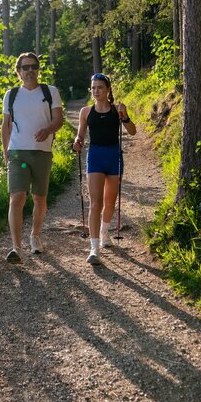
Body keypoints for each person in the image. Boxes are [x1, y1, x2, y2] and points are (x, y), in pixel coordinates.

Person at [1, 52, 64, 263]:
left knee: (39, 198)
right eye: (25, 67)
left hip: (42, 151)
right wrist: (5, 152)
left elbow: (59, 120)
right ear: (18, 71)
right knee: (17, 197)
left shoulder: (50, 91)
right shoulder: (11, 95)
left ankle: (35, 236)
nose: (30, 71)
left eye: (33, 67)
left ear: (38, 69)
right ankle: (16, 247)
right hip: (17, 152)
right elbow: (6, 125)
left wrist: (47, 130)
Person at [72, 73, 136, 265]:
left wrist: (124, 117)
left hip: (114, 156)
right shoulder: (86, 111)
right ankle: (94, 248)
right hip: (96, 157)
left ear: (108, 89)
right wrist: (77, 142)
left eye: (100, 87)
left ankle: (104, 232)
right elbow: (80, 136)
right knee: (95, 203)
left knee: (110, 202)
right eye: (93, 88)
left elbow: (132, 131)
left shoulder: (117, 109)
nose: (96, 91)